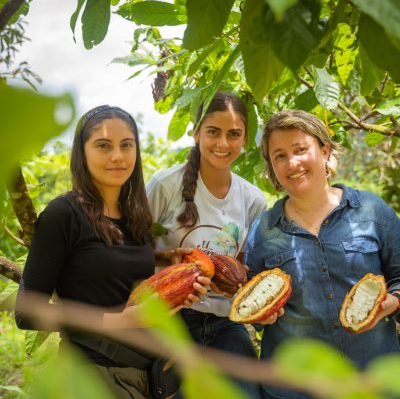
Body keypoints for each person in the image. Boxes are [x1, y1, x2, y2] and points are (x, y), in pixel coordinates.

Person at [14, 105, 210, 399]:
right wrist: (121, 321)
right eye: (104, 146)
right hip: (95, 375)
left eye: (126, 145)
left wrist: (168, 267)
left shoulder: (135, 216)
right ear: (83, 153)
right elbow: (26, 312)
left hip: (150, 375)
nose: (118, 156)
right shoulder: (63, 214)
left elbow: (109, 268)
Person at [245, 109, 400, 399]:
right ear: (272, 167)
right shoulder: (264, 230)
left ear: (324, 150)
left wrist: (393, 302)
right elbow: (250, 299)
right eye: (279, 156)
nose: (292, 163)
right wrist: (260, 317)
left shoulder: (372, 212)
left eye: (300, 149)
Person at [147, 92, 267, 398]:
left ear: (245, 139)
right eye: (213, 131)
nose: (223, 144)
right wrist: (166, 257)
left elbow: (243, 267)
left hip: (225, 321)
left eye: (234, 134)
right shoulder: (165, 185)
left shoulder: (253, 200)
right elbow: (127, 249)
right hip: (170, 319)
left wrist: (238, 285)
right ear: (197, 132)